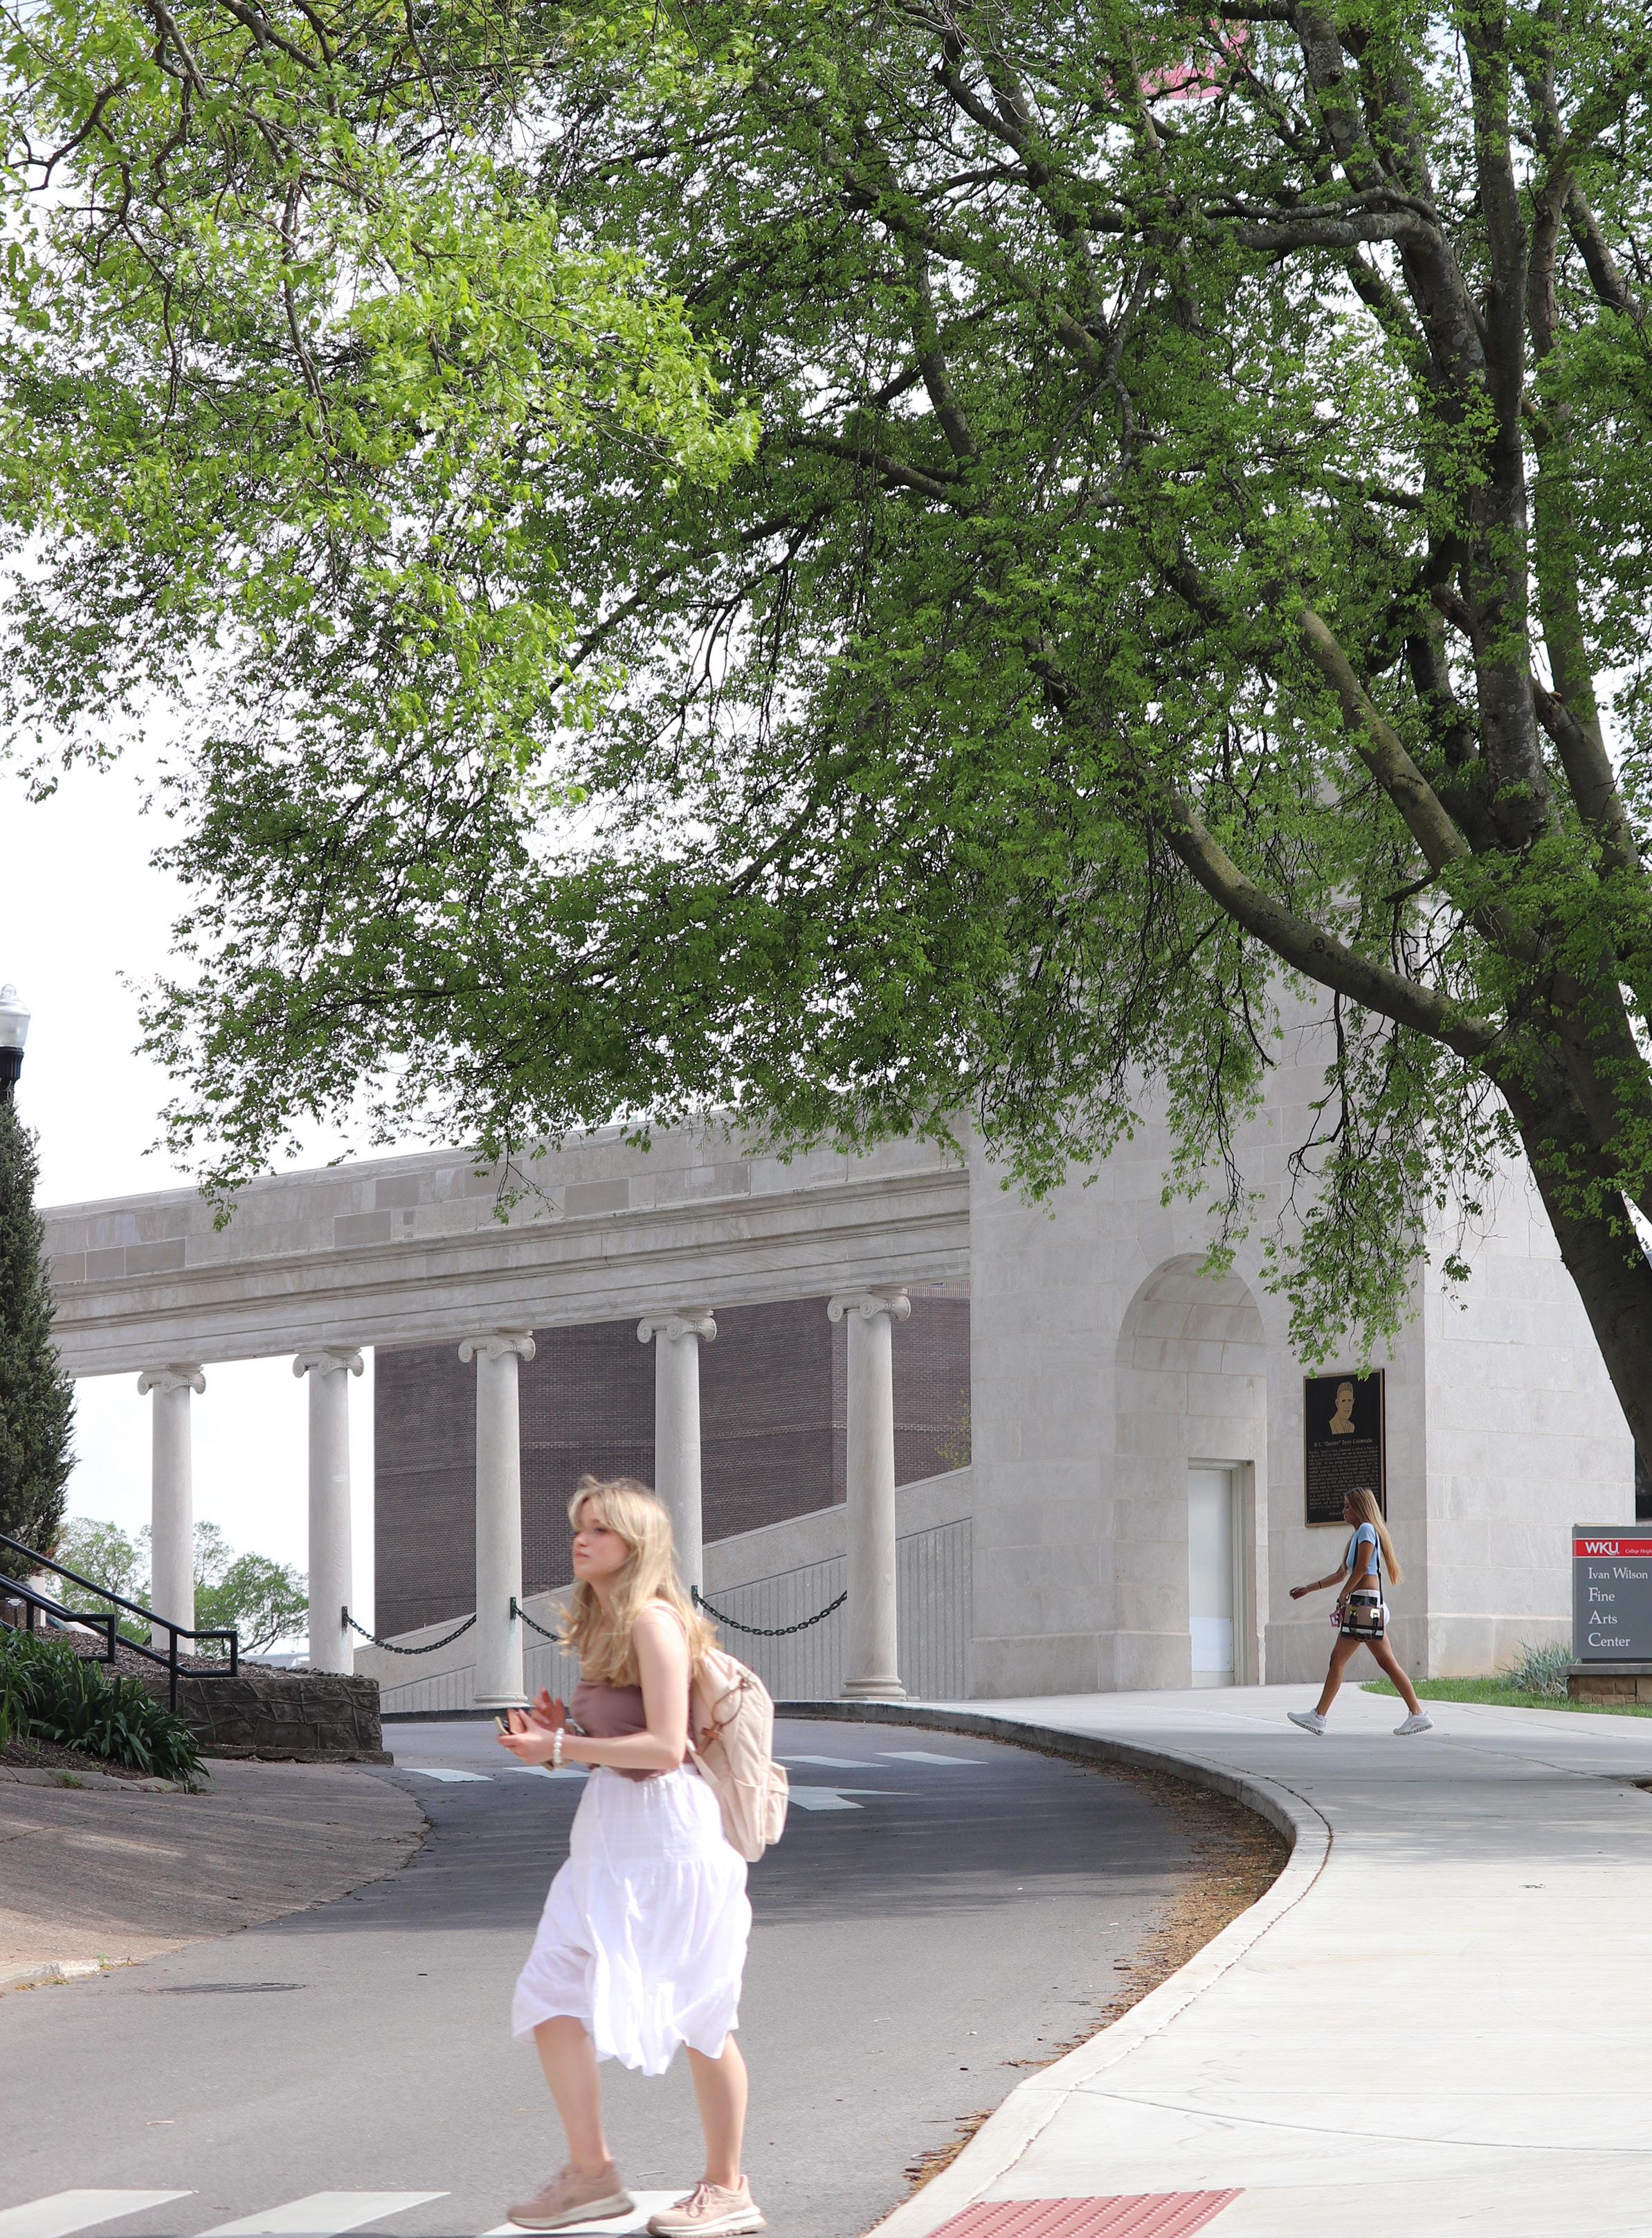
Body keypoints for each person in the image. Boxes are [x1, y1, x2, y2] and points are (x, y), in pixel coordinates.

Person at [496, 1477, 765, 2237]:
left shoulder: (652, 1619)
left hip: (669, 1836)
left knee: (700, 2008)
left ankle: (728, 2186)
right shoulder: (604, 1624)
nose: (581, 1540)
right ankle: (592, 2174)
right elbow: (621, 1744)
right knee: (550, 1990)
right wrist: (566, 1735)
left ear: (635, 1544)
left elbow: (664, 1747)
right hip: (608, 1836)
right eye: (579, 1526)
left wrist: (558, 1743)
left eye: (600, 1530)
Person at [1287, 1487, 1433, 1736]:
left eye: (1347, 1506)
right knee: (1385, 1662)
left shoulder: (1366, 1529)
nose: (1343, 1511)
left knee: (1338, 1660)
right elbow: (1341, 1573)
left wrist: (1344, 1594)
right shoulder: (1358, 1535)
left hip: (1364, 1604)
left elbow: (1363, 1567)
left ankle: (1319, 1716)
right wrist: (1309, 1589)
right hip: (1367, 1604)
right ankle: (1417, 1714)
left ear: (1359, 1508)